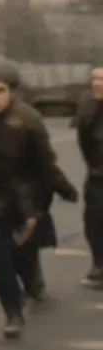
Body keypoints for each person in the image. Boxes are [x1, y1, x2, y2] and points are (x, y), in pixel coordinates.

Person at [0, 58, 78, 339]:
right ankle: (13, 313)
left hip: (25, 199)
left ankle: (34, 284)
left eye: (0, 91)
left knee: (24, 251)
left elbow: (44, 166)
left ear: (12, 92)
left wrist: (47, 201)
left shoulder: (29, 120)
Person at [75, 61, 103, 288]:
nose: (97, 83)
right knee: (93, 220)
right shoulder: (87, 107)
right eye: (94, 79)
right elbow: (83, 140)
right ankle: (99, 265)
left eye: (102, 79)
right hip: (97, 174)